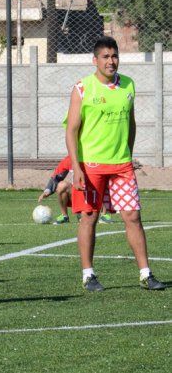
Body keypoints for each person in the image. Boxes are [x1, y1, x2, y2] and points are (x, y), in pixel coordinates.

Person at [65, 36, 165, 292]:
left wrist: (128, 155)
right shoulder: (82, 88)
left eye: (115, 56)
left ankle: (146, 273)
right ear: (95, 60)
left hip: (121, 166)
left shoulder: (128, 85)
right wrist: (76, 168)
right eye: (106, 57)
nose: (111, 61)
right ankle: (88, 274)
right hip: (91, 166)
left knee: (133, 216)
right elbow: (72, 131)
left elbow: (131, 124)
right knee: (89, 217)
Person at [38, 155, 114, 225]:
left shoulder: (99, 157)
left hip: (95, 195)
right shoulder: (71, 158)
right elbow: (57, 177)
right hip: (77, 195)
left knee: (105, 180)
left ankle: (104, 215)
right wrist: (47, 191)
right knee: (62, 185)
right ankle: (65, 216)